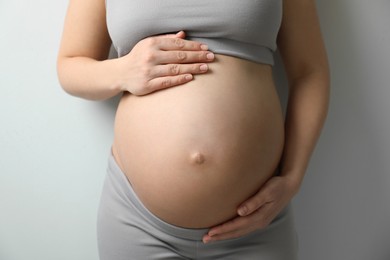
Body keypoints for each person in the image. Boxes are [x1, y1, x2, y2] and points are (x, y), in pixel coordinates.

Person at [57, 0, 329, 259]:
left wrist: (293, 177)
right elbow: (70, 63)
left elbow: (309, 72)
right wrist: (123, 71)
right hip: (137, 223)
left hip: (256, 225)